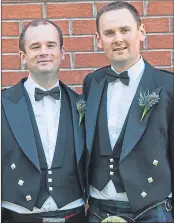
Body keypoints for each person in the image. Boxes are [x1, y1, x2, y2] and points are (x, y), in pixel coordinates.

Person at [83, 1, 174, 222]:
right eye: (109, 33)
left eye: (125, 30)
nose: (118, 39)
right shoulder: (91, 83)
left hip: (151, 207)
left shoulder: (168, 85)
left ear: (141, 32)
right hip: (98, 206)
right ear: (99, 40)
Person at [2, 19, 86, 223]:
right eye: (35, 46)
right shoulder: (3, 104)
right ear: (23, 56)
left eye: (50, 45)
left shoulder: (82, 104)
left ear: (62, 53)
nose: (43, 51)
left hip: (73, 213)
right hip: (17, 214)